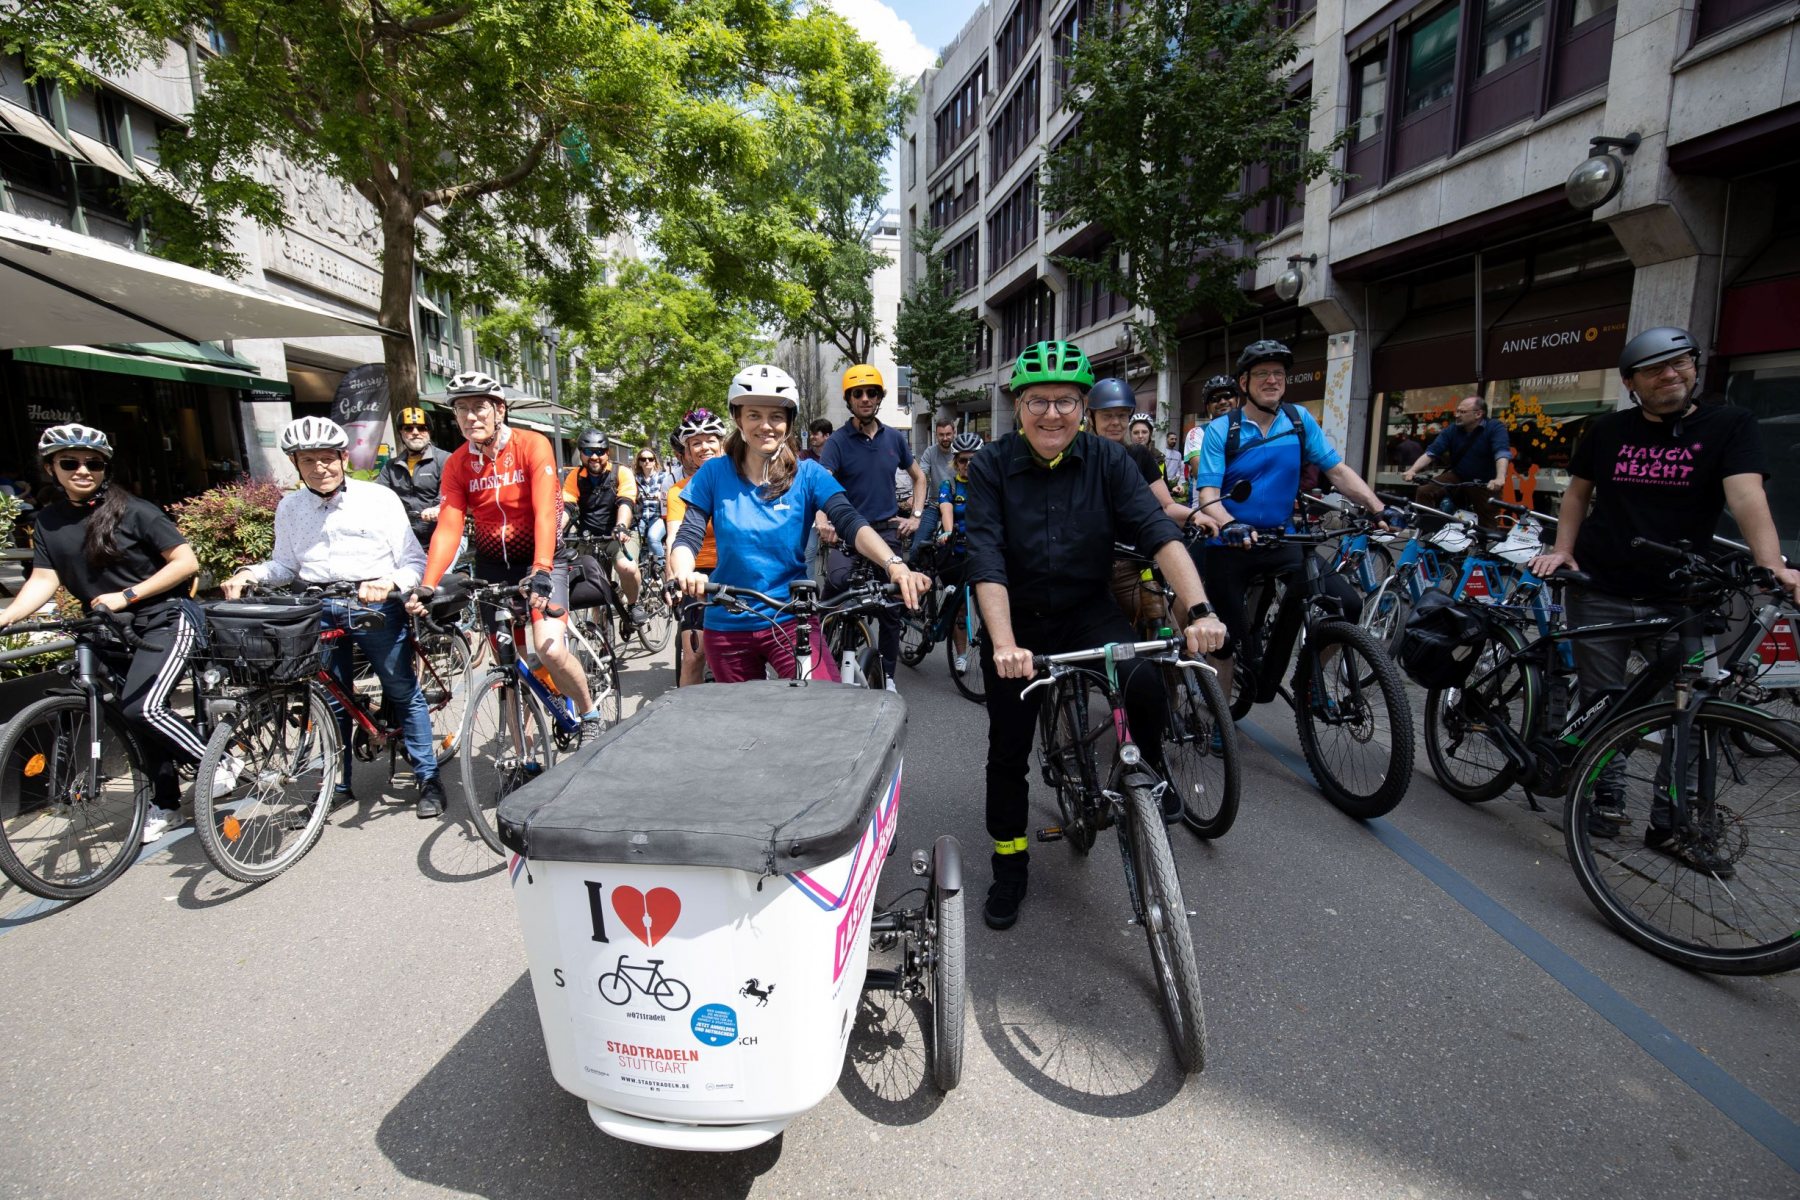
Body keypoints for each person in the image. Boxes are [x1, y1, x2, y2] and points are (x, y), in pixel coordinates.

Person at [964, 341, 1228, 931]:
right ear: (1019, 405)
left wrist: (1201, 610)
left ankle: (1148, 781)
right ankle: (1010, 862)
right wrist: (1004, 643)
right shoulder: (990, 465)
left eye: (1065, 401)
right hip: (1018, 619)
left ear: (1083, 408)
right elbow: (985, 557)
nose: (1051, 413)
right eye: (1038, 401)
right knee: (1008, 748)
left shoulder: (1109, 461)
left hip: (1087, 608)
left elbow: (1159, 532)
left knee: (1145, 681)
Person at [1528, 326, 1800, 864]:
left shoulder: (1730, 425)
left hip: (1684, 599)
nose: (1671, 374)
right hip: (1602, 586)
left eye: (1681, 363)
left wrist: (1771, 565)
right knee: (1603, 701)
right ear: (1632, 382)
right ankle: (1602, 799)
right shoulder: (1607, 431)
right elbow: (1577, 495)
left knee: (1696, 711)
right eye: (1655, 369)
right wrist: (1563, 549)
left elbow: (1747, 494)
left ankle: (1674, 821)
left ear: (1695, 368)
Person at [220, 418, 446, 816]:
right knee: (330, 699)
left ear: (344, 457)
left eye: (327, 458)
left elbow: (413, 562)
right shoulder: (290, 507)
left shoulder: (378, 499)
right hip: (318, 608)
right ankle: (337, 784)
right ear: (295, 463)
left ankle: (428, 778)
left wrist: (387, 581)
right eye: (308, 460)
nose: (319, 467)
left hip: (372, 605)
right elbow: (284, 565)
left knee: (401, 689)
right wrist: (249, 573)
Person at [0, 425, 211, 843]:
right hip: (108, 630)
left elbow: (186, 562)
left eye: (93, 463)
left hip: (164, 617)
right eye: (70, 462)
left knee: (143, 708)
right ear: (50, 468)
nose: (83, 470)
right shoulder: (48, 521)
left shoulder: (135, 510)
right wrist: (6, 617)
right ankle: (165, 803)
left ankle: (214, 762)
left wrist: (127, 594)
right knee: (135, 723)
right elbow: (43, 579)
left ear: (104, 468)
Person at [669, 365, 930, 682]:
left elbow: (849, 520)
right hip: (729, 622)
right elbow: (689, 534)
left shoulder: (808, 474)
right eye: (754, 415)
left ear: (789, 423)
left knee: (822, 707)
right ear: (738, 419)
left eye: (776, 417)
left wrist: (894, 564)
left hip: (793, 619)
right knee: (739, 723)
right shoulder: (714, 473)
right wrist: (684, 572)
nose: (766, 425)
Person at [1192, 339, 1401, 706]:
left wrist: (1377, 507)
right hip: (1232, 544)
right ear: (1244, 383)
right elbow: (1208, 495)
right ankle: (1221, 721)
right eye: (1262, 374)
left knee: (1347, 604)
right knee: (1223, 640)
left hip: (1282, 538)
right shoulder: (1223, 430)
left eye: (1278, 373)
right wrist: (1228, 524)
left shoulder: (1299, 420)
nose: (1272, 380)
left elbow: (1336, 471)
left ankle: (1308, 677)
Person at [404, 372, 604, 735]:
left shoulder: (531, 444)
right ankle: (522, 756)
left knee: (550, 649)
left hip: (542, 561)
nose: (470, 417)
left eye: (479, 407)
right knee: (508, 664)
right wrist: (428, 585)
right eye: (461, 409)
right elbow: (449, 526)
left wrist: (542, 568)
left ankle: (590, 716)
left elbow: (546, 511)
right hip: (493, 566)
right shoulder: (457, 464)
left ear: (499, 410)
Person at [816, 364, 927, 690]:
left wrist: (916, 516)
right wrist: (823, 521)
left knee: (893, 608)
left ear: (879, 397)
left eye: (871, 392)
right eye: (858, 393)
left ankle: (888, 677)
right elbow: (822, 486)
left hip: (887, 534)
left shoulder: (894, 437)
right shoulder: (837, 441)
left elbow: (919, 477)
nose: (865, 398)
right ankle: (820, 666)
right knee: (831, 596)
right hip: (848, 536)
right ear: (849, 399)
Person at [1088, 377, 1218, 634]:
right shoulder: (1079, 453)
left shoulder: (1138, 455)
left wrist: (1195, 516)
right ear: (1091, 417)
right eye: (1107, 415)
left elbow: (1166, 507)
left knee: (1164, 637)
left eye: (1122, 415)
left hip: (1127, 566)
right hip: (1083, 568)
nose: (1116, 422)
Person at [664, 409, 729, 686]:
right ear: (687, 452)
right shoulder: (678, 491)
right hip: (696, 572)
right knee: (693, 655)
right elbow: (674, 536)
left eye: (710, 439)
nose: (705, 447)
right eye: (696, 442)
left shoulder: (739, 482)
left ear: (722, 443)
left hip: (734, 568)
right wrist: (672, 578)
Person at [561, 429, 645, 627]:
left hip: (620, 534)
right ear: (581, 453)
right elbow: (567, 506)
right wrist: (555, 531)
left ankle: (634, 604)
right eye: (588, 451)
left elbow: (626, 501)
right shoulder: (574, 476)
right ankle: (600, 633)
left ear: (608, 453)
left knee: (627, 567)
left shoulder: (621, 472)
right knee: (592, 585)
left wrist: (621, 526)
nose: (595, 457)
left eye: (600, 451)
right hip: (589, 537)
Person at [1403, 396, 1514, 523]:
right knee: (1425, 490)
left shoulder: (1495, 427)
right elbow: (1432, 452)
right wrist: (1413, 470)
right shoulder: (1452, 429)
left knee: (1487, 523)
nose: (1457, 415)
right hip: (1458, 475)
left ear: (1478, 414)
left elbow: (1501, 453)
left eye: (1462, 412)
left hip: (1485, 481)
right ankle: (1426, 527)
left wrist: (1500, 477)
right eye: (1457, 411)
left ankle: (1484, 541)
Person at [932, 431, 983, 674]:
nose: (968, 464)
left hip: (980, 551)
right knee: (960, 606)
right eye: (963, 460)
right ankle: (961, 655)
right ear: (956, 462)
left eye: (973, 459)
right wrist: (949, 533)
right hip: (955, 549)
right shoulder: (949, 484)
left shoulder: (989, 486)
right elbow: (946, 510)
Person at [376, 406, 448, 548]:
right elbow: (379, 496)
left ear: (429, 432)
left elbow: (448, 494)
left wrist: (438, 508)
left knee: (437, 571)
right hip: (406, 537)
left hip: (443, 534)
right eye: (409, 428)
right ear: (401, 433)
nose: (416, 433)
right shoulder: (391, 466)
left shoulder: (445, 460)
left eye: (421, 428)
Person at [912, 418, 959, 558]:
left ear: (954, 433)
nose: (945, 438)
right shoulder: (930, 452)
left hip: (956, 505)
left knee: (955, 545)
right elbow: (922, 476)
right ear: (935, 434)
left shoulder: (960, 452)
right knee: (916, 548)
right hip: (934, 504)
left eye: (948, 434)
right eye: (941, 435)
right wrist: (914, 498)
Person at [633, 446, 673, 568]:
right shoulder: (634, 478)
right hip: (639, 516)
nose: (647, 462)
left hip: (658, 516)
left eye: (650, 459)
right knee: (632, 539)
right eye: (643, 459)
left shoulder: (664, 477)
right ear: (639, 462)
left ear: (655, 461)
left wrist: (661, 495)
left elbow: (672, 495)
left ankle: (659, 570)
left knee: (653, 538)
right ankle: (636, 570)